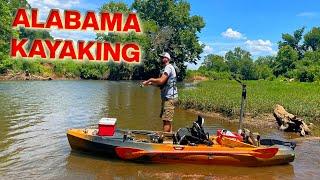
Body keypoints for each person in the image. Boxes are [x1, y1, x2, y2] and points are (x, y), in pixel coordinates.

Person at [142, 52, 178, 132]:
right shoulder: (166, 68)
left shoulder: (168, 67)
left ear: (167, 59)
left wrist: (150, 79)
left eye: (163, 57)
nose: (161, 59)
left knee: (166, 120)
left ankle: (165, 139)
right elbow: (161, 84)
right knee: (167, 120)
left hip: (169, 98)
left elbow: (161, 81)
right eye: (161, 57)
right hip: (167, 98)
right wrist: (150, 83)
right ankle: (169, 138)